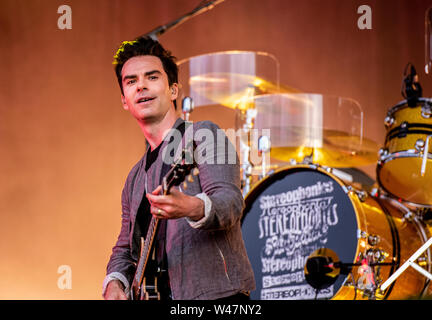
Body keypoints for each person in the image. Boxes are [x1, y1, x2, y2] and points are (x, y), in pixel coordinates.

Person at [102, 36, 256, 300]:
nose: (141, 87)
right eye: (132, 81)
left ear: (173, 90)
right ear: (125, 100)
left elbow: (230, 202)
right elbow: (125, 248)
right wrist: (114, 284)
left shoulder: (202, 135)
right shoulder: (134, 179)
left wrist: (192, 207)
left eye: (152, 77)